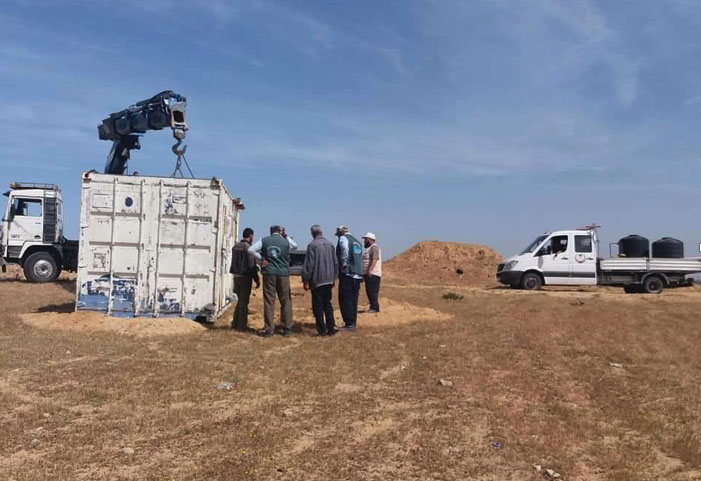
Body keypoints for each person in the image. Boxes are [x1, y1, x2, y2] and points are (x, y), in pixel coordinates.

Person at [250, 225, 298, 337]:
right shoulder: (285, 242)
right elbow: (295, 246)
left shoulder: (264, 240)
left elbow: (251, 249)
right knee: (286, 301)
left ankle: (269, 329)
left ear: (270, 231)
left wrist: (261, 258)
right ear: (280, 231)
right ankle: (287, 328)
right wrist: (286, 236)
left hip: (269, 273)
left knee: (269, 301)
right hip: (283, 274)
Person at [302, 225, 338, 336]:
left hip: (317, 280)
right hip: (328, 279)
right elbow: (336, 263)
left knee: (317, 305)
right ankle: (331, 327)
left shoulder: (312, 245)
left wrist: (305, 279)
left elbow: (309, 264)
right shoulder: (331, 244)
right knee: (327, 304)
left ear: (312, 234)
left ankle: (322, 330)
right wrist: (334, 278)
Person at [229, 227, 260, 331]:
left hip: (236, 277)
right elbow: (251, 264)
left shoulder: (235, 246)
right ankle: (241, 326)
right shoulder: (248, 248)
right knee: (244, 302)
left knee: (240, 301)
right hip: (245, 277)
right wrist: (256, 278)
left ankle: (235, 323)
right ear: (250, 236)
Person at [335, 225, 363, 331]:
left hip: (348, 274)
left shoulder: (343, 238)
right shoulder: (357, 242)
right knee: (353, 300)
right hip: (357, 274)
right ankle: (353, 323)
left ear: (340, 233)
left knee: (345, 299)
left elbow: (345, 251)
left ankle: (349, 324)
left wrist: (344, 264)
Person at [362, 232, 382, 313]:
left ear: (370, 240)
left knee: (372, 291)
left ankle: (374, 308)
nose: (364, 241)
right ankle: (374, 306)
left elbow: (375, 258)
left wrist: (370, 270)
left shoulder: (374, 247)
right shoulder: (369, 249)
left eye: (365, 239)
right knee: (369, 290)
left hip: (373, 273)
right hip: (368, 273)